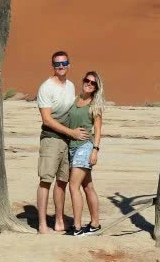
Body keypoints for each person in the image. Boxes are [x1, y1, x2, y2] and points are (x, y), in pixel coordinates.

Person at [35, 51, 89, 234]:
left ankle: (59, 220)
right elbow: (47, 120)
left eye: (64, 63)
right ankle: (42, 224)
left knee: (62, 182)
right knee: (45, 180)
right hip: (51, 139)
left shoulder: (71, 86)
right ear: (52, 66)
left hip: (68, 140)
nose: (61, 66)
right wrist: (71, 132)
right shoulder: (46, 87)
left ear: (69, 64)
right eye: (57, 64)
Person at [67, 70, 104, 236]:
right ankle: (95, 223)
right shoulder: (76, 100)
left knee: (73, 186)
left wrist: (95, 151)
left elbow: (98, 129)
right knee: (88, 186)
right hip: (72, 147)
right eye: (87, 80)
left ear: (96, 87)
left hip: (85, 147)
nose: (89, 84)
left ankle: (77, 227)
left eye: (93, 83)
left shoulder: (94, 105)